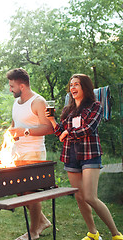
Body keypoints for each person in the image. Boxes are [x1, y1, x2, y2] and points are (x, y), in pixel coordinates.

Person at [47, 74, 123, 240]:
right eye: (71, 85)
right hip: (70, 155)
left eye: (77, 85)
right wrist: (53, 121)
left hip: (90, 154)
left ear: (85, 87)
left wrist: (68, 133)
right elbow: (61, 134)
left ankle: (116, 234)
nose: (73, 88)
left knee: (90, 197)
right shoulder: (68, 110)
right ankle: (93, 233)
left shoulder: (96, 106)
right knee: (80, 197)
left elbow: (89, 128)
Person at [6, 68, 54, 240]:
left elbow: (48, 128)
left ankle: (33, 232)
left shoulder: (38, 102)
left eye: (12, 86)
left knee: (30, 193)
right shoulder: (16, 102)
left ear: (22, 86)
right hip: (17, 153)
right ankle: (41, 221)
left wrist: (23, 132)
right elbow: (15, 125)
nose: (10, 89)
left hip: (34, 153)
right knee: (19, 190)